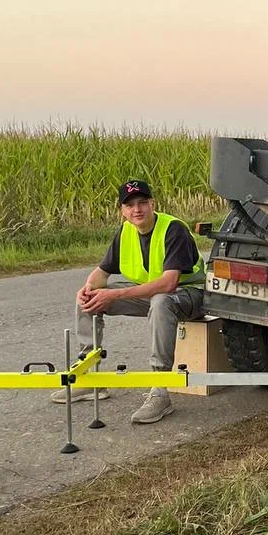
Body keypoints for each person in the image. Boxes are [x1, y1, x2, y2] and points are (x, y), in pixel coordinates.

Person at [50, 179, 205, 424]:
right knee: (88, 300)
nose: (137, 209)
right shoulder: (125, 231)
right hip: (150, 294)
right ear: (122, 210)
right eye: (130, 205)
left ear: (152, 203)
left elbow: (168, 284)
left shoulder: (173, 229)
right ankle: (90, 378)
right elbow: (102, 271)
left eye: (142, 202)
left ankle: (160, 389)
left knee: (161, 301)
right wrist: (88, 288)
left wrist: (115, 294)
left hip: (189, 295)